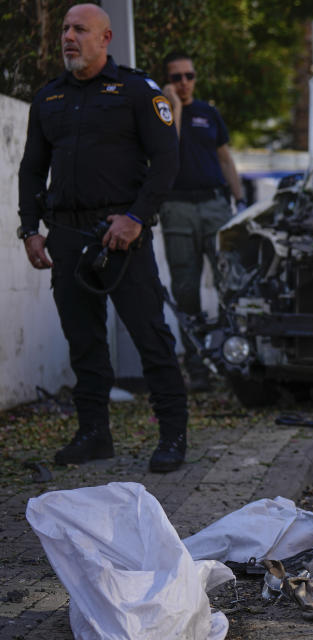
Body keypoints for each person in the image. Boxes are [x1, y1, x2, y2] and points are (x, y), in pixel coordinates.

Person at [17, 4, 188, 473]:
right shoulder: (48, 97)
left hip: (122, 234)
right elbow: (32, 167)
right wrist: (31, 229)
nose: (69, 37)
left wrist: (135, 217)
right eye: (66, 29)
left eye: (80, 29)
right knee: (83, 339)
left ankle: (173, 436)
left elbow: (167, 159)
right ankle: (94, 435)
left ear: (105, 37)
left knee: (150, 336)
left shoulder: (136, 90)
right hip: (67, 234)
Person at [160, 51, 245, 392]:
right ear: (167, 80)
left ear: (196, 77)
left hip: (214, 205)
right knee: (185, 289)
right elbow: (170, 147)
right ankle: (197, 368)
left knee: (231, 283)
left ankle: (233, 358)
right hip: (177, 206)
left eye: (188, 76)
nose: (183, 83)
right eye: (176, 77)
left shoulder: (210, 113)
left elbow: (225, 159)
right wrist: (174, 107)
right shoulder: (162, 112)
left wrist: (239, 201)